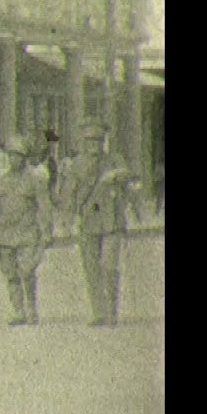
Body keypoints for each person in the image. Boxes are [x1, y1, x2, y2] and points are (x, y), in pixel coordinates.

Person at [61, 122, 133, 327]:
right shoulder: (77, 164)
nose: (93, 145)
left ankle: (111, 312)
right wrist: (66, 221)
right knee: (91, 268)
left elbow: (128, 173)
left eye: (98, 141)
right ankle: (98, 312)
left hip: (111, 222)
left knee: (109, 267)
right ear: (83, 142)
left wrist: (114, 175)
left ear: (103, 142)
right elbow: (69, 193)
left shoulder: (114, 160)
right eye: (89, 141)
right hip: (88, 221)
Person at [0, 137, 52, 326]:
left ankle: (31, 308)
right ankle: (18, 310)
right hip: (6, 235)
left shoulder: (35, 180)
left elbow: (44, 207)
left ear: (25, 158)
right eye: (11, 156)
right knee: (10, 274)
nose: (15, 160)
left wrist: (46, 231)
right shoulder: (1, 182)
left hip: (28, 233)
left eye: (19, 156)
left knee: (27, 271)